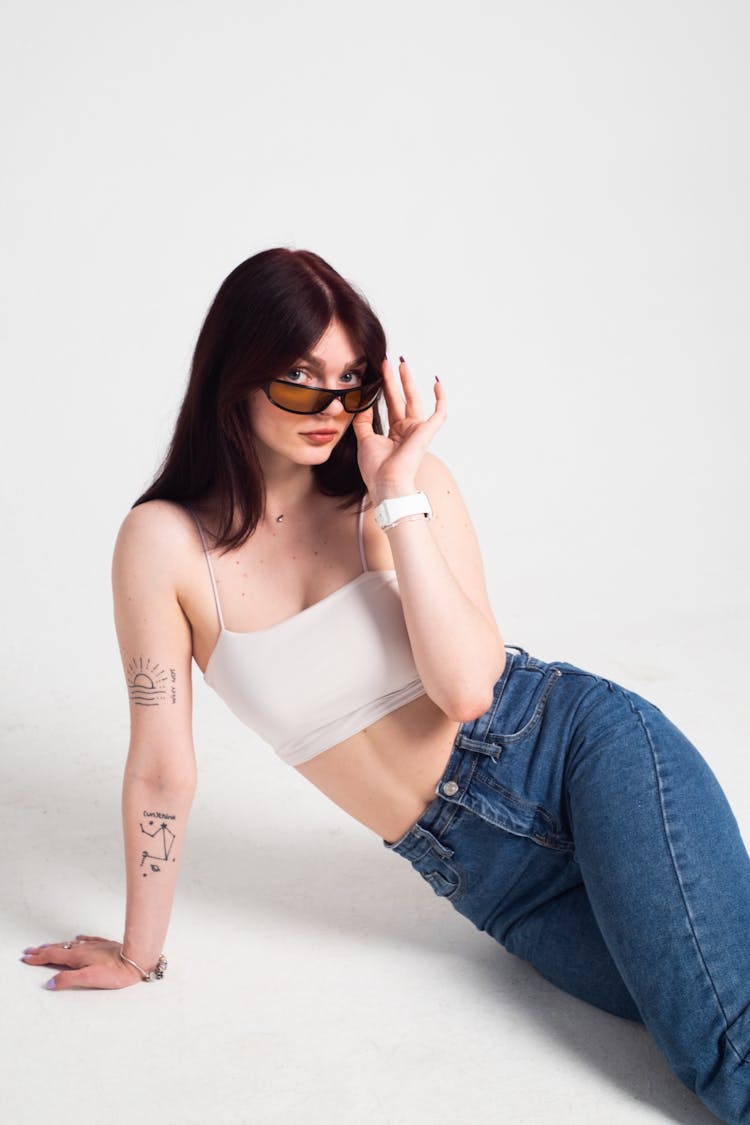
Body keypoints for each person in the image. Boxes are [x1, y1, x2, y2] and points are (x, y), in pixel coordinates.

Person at [22, 248, 750, 1123]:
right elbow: (161, 766)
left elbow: (470, 688)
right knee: (696, 1014)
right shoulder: (163, 543)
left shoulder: (405, 492)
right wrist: (142, 952)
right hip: (492, 881)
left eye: (351, 381)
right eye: (299, 378)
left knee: (724, 1051)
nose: (330, 408)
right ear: (234, 376)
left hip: (580, 757)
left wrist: (396, 490)